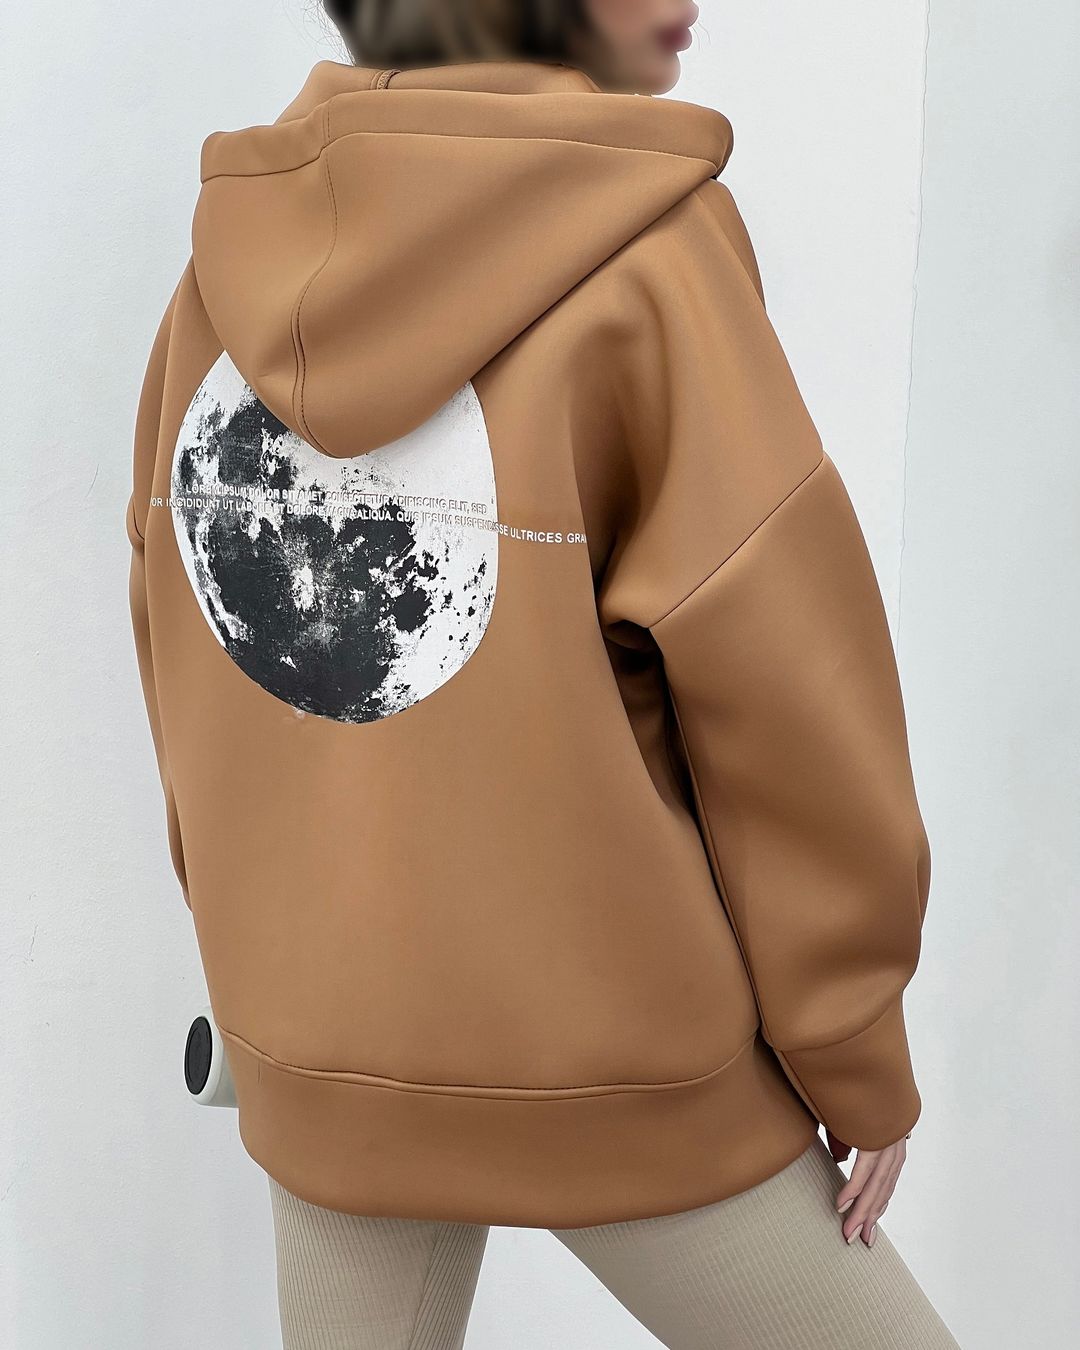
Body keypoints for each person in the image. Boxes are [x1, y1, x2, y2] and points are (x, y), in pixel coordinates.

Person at [124, 0, 960, 1345]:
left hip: (322, 1041)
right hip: (624, 1063)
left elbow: (182, 652)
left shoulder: (223, 274)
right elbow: (785, 696)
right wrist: (852, 1046)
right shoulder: (652, 257)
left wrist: (264, 977)